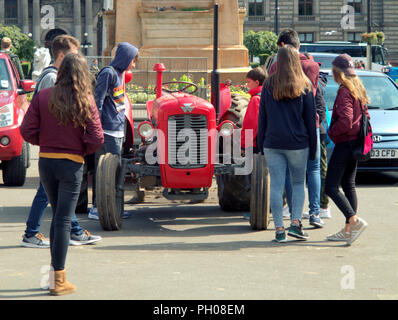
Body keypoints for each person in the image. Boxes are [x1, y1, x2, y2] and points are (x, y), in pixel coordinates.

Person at [20, 52, 104, 295]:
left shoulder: (44, 95)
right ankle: (58, 280)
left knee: (59, 216)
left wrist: (45, 142)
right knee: (63, 220)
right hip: (71, 163)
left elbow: (27, 130)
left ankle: (55, 277)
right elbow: (97, 137)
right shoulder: (86, 99)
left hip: (46, 162)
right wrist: (81, 149)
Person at [257, 45, 317, 242]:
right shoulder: (305, 84)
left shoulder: (268, 84)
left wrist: (260, 142)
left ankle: (279, 230)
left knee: (276, 184)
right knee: (299, 183)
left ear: (278, 62)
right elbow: (310, 120)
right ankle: (296, 224)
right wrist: (314, 146)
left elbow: (262, 117)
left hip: (272, 142)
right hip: (298, 143)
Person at [269, 29, 324, 226]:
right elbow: (314, 98)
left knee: (287, 175)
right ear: (298, 44)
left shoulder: (275, 67)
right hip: (310, 124)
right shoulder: (311, 67)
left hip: (282, 128)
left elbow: (269, 102)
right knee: (314, 169)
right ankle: (315, 213)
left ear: (282, 45)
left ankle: (294, 215)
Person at [89, 42, 139, 220]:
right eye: (133, 60)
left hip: (116, 131)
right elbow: (98, 102)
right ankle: (97, 207)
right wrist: (97, 129)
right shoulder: (108, 73)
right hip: (107, 131)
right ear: (125, 58)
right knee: (105, 172)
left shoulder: (119, 74)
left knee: (114, 172)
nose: (134, 64)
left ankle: (113, 206)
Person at [325, 54, 369, 245]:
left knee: (331, 186)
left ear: (337, 73)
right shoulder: (357, 88)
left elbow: (345, 121)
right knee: (348, 184)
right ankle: (349, 230)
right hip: (356, 144)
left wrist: (331, 132)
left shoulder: (344, 91)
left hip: (345, 143)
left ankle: (354, 221)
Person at [240, 67, 267, 220]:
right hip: (267, 143)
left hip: (255, 145)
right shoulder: (269, 95)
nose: (247, 85)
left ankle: (255, 210)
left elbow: (251, 125)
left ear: (257, 82)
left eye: (249, 82)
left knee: (254, 179)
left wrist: (244, 145)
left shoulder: (256, 99)